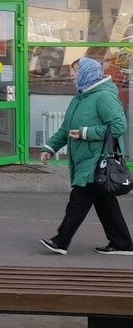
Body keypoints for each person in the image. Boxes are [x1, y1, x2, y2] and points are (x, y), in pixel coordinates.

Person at [39, 57, 133, 256]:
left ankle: (61, 241)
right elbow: (66, 128)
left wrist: (86, 133)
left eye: (75, 72)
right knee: (105, 202)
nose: (72, 75)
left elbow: (119, 126)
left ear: (87, 74)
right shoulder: (81, 97)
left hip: (97, 159)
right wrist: (50, 147)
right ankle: (122, 243)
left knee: (79, 199)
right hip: (86, 159)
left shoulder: (104, 97)